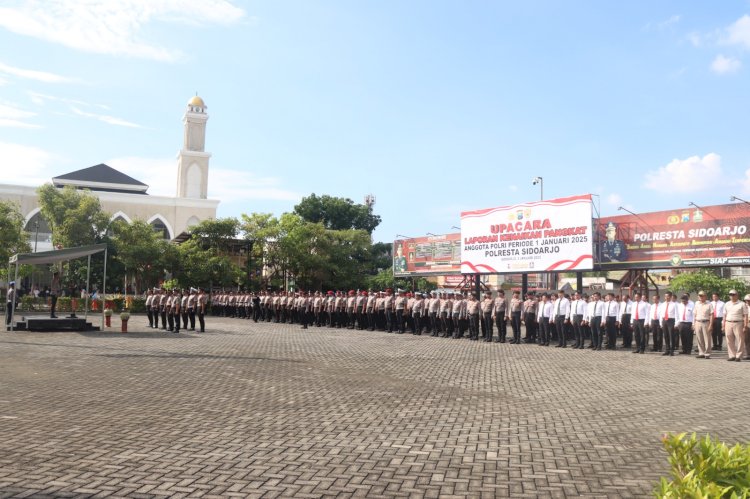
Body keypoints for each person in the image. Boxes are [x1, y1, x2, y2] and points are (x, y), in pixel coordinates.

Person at [722, 289, 747, 362]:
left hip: (738, 323)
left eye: (733, 294)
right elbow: (724, 315)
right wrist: (723, 325)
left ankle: (738, 356)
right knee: (729, 340)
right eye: (730, 294)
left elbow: (745, 315)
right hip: (728, 322)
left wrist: (745, 326)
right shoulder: (727, 304)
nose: (731, 296)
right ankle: (732, 355)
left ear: (737, 295)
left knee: (740, 340)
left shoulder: (742, 304)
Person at [693, 291, 714, 359]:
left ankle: (707, 353)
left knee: (707, 338)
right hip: (698, 322)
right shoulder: (696, 303)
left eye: (702, 295)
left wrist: (711, 324)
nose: (700, 297)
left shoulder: (709, 304)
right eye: (699, 295)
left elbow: (711, 315)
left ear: (705, 296)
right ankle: (701, 352)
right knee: (699, 338)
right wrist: (693, 323)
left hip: (706, 322)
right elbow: (694, 314)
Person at [660, 291, 678, 356]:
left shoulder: (674, 304)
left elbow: (677, 314)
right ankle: (667, 350)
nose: (666, 297)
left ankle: (672, 350)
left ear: (670, 297)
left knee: (671, 336)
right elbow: (661, 314)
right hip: (664, 320)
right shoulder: (662, 304)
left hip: (671, 320)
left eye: (668, 296)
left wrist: (676, 323)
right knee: (666, 336)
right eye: (665, 296)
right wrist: (661, 323)